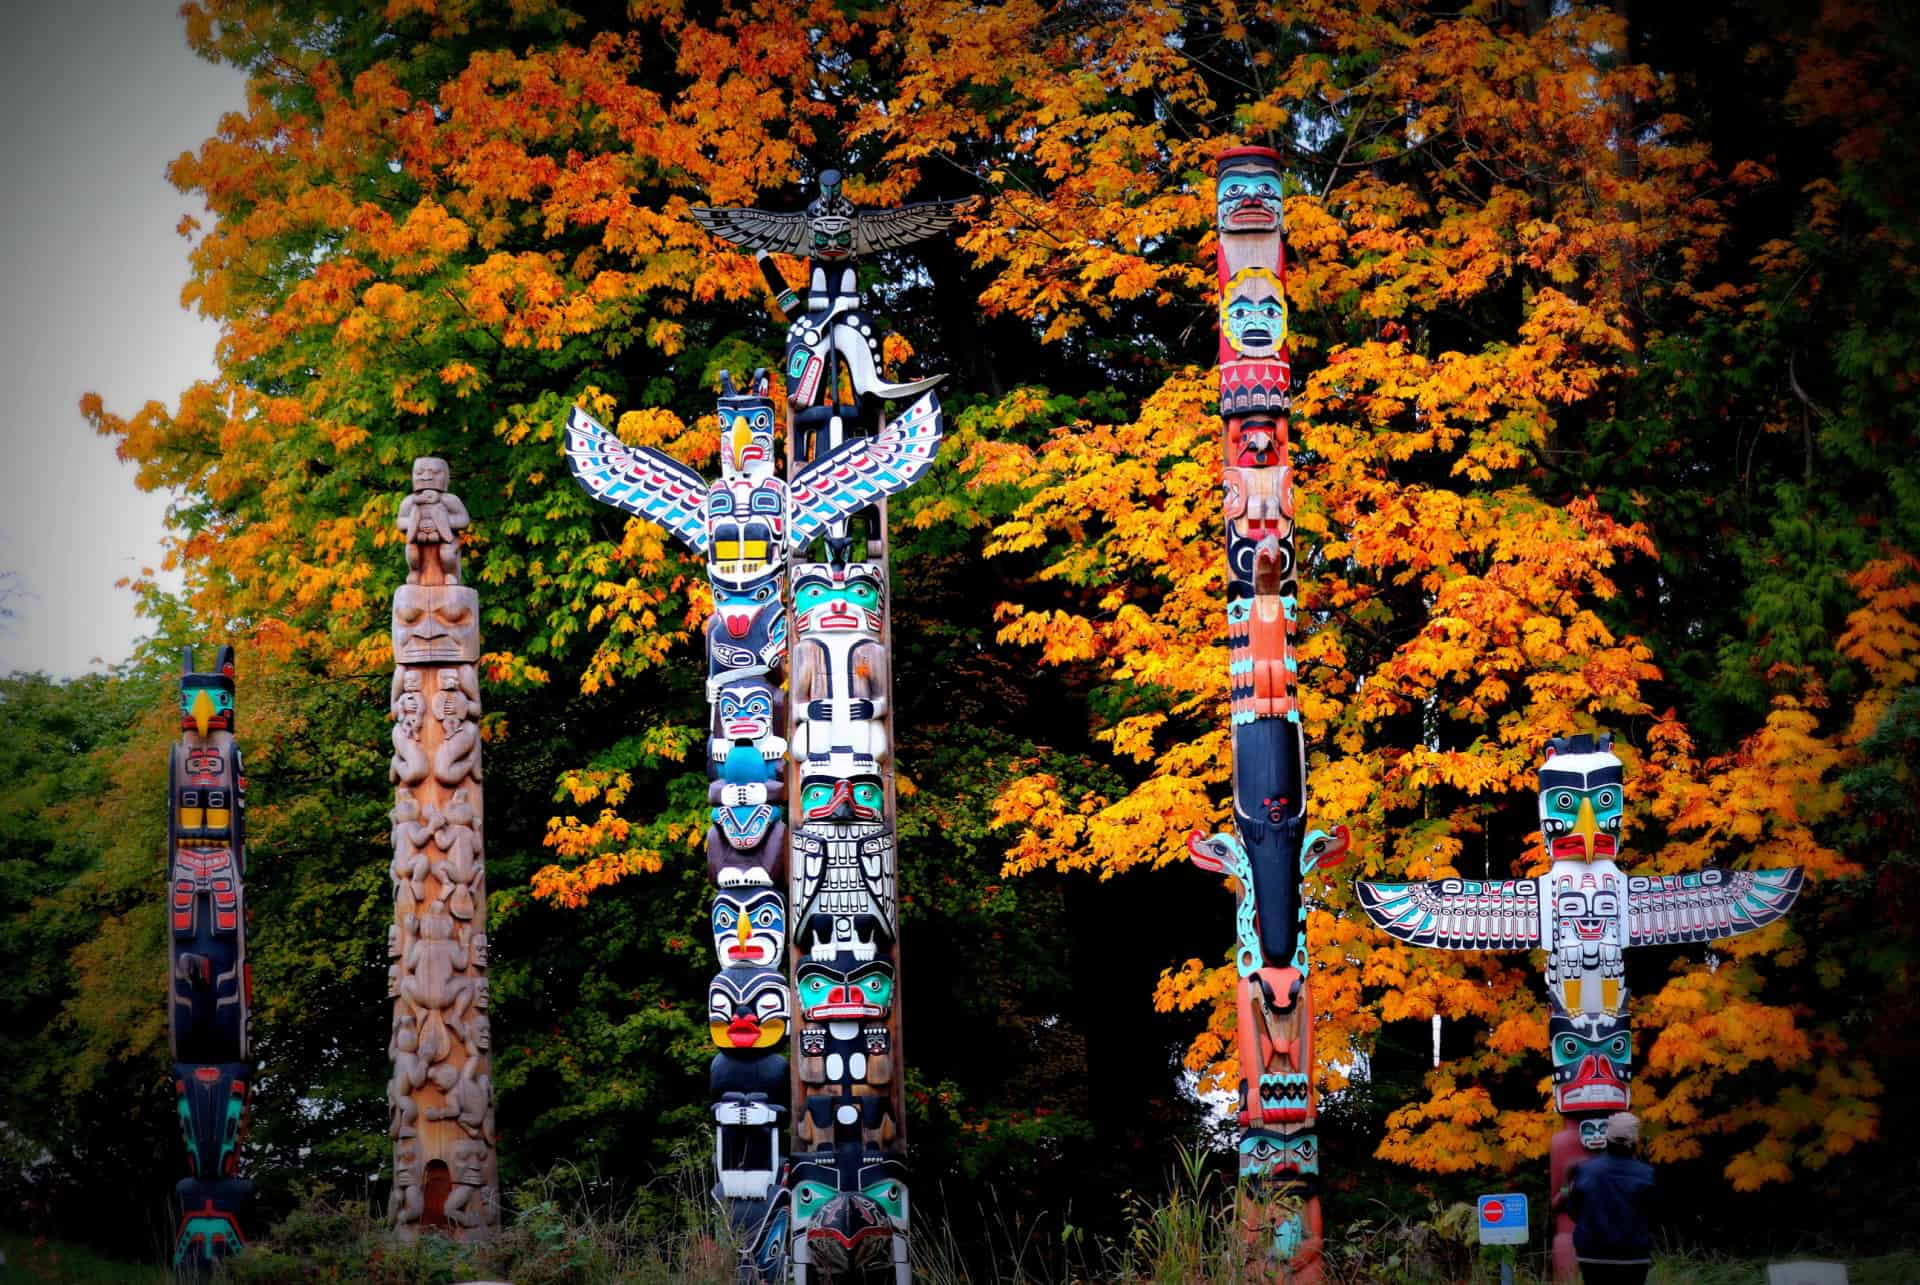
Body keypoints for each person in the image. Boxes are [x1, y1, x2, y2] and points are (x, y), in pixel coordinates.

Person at [1559, 1112, 1657, 1284]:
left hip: (1593, 1253)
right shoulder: (1647, 1174)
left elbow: (1573, 1210)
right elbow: (1656, 1214)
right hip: (1633, 1255)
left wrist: (1567, 1187)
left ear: (1607, 1138)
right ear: (1634, 1141)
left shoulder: (1585, 1170)